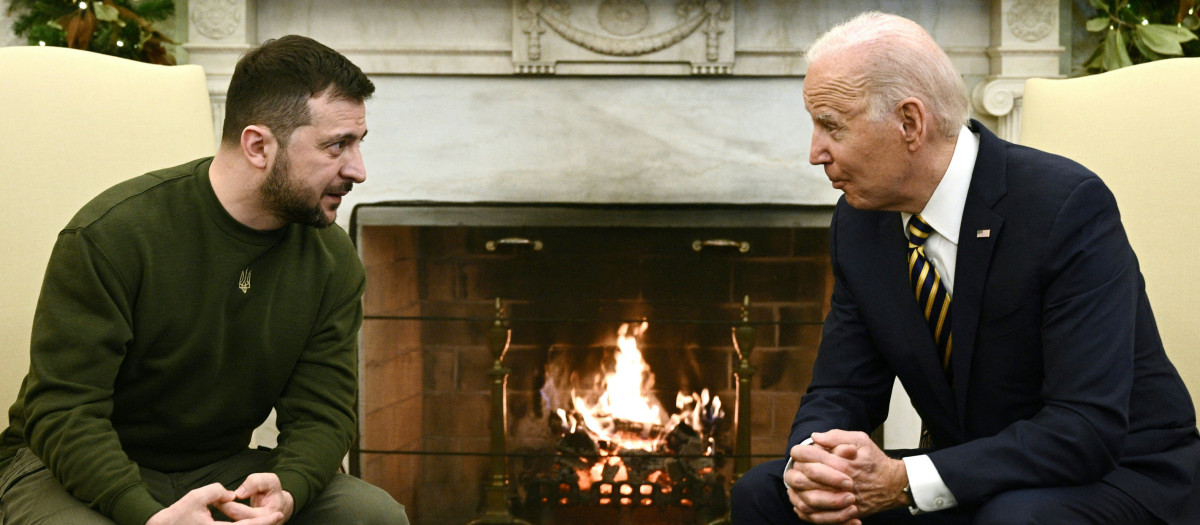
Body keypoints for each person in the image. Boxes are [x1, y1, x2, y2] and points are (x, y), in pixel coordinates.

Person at [729, 11, 1200, 525]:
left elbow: (1084, 428)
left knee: (1015, 518)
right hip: (969, 476)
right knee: (764, 495)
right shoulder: (860, 225)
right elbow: (841, 391)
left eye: (832, 126)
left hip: (1118, 475)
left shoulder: (1064, 207)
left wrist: (903, 482)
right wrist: (813, 464)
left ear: (910, 123)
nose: (815, 152)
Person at [0, 35, 409, 525]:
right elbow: (63, 411)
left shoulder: (332, 260)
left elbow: (323, 414)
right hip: (68, 468)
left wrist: (289, 492)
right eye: (337, 145)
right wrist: (147, 517)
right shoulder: (112, 235)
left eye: (359, 142)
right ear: (258, 145)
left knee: (372, 514)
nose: (359, 170)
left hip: (218, 468)